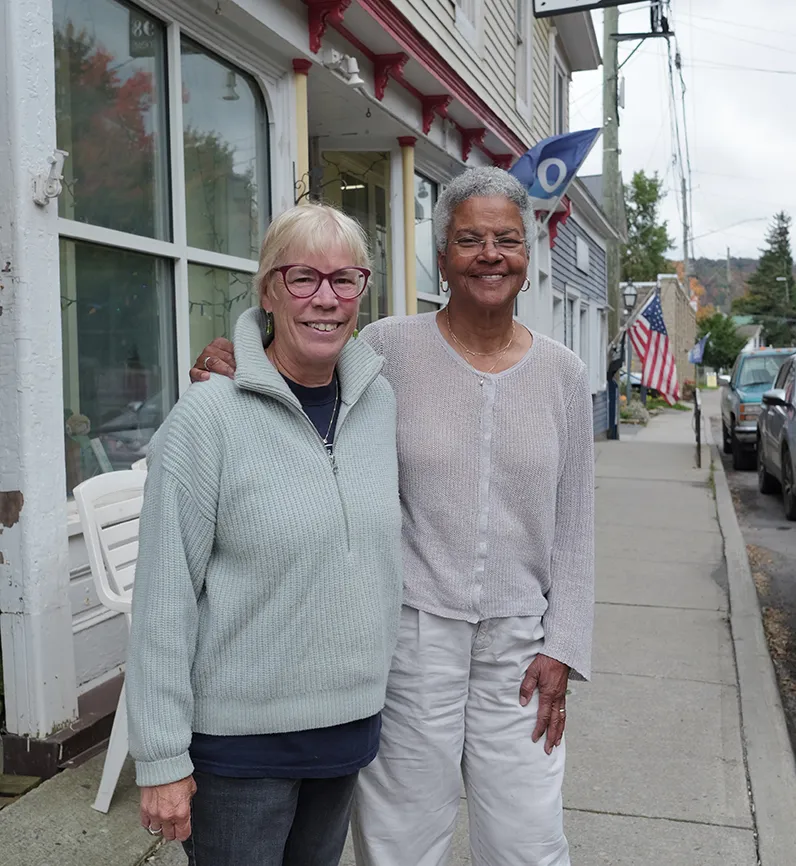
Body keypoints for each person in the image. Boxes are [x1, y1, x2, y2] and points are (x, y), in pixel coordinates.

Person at [192, 167, 595, 866]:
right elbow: (300, 366)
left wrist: (565, 644)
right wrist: (234, 364)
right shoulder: (386, 348)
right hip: (411, 638)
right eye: (469, 240)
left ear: (529, 258)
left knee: (529, 842)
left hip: (523, 648)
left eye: (507, 239)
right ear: (441, 257)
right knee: (400, 841)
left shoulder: (563, 373)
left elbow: (577, 525)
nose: (489, 254)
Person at [127, 202, 403, 866]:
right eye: (303, 277)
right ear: (269, 290)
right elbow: (163, 601)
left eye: (345, 280)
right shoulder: (208, 418)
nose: (325, 299)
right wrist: (161, 757)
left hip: (345, 731)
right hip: (240, 751)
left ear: (363, 292)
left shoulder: (377, 402)